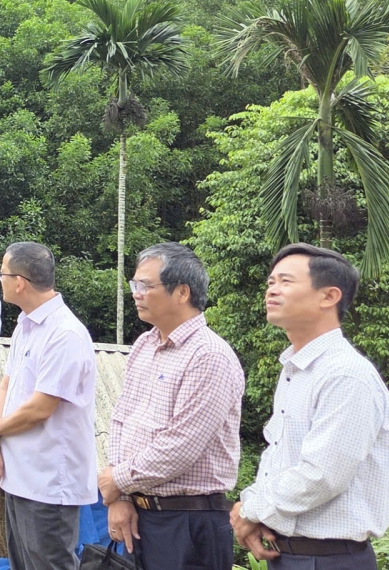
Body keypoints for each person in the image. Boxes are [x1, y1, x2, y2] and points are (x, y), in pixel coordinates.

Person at [230, 244, 389, 570]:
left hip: (329, 559)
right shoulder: (297, 370)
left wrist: (250, 508)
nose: (272, 289)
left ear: (329, 296)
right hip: (289, 554)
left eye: (286, 281)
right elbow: (280, 457)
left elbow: (322, 476)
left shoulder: (345, 374)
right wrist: (254, 513)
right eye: (270, 282)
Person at [100, 242, 245, 570]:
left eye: (145, 286)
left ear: (182, 292)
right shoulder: (144, 344)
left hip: (190, 521)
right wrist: (121, 497)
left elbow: (180, 447)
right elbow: (122, 420)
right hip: (141, 514)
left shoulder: (210, 356)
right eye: (134, 285)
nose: (136, 293)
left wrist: (117, 480)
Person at [0, 242, 96, 570]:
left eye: (2, 273)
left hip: (48, 485)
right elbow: (6, 385)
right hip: (18, 474)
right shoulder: (24, 326)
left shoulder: (65, 334)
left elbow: (40, 408)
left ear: (19, 282)